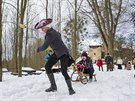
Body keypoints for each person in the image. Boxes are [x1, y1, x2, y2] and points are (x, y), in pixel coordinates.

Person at [34, 18, 75, 95]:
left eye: (43, 28)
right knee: (47, 66)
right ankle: (53, 87)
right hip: (56, 52)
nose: (42, 30)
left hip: (63, 53)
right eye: (41, 28)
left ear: (47, 26)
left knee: (64, 71)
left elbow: (44, 46)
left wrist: (38, 49)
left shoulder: (50, 34)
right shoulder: (53, 32)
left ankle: (71, 89)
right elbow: (59, 35)